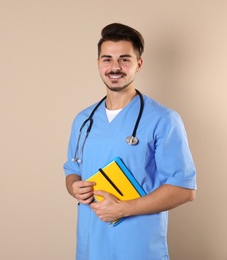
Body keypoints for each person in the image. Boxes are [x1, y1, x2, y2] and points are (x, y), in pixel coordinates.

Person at [63, 23, 197, 260]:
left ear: (139, 64)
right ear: (98, 64)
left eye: (124, 59)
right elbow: (72, 171)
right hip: (91, 244)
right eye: (107, 59)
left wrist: (123, 208)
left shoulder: (163, 120)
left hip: (138, 246)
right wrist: (74, 186)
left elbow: (184, 189)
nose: (115, 67)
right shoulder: (84, 120)